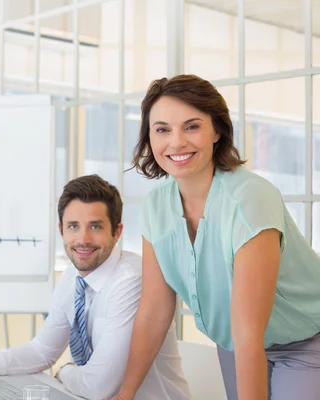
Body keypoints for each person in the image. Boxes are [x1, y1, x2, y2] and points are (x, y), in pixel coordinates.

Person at [113, 74, 320, 400]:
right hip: (235, 343)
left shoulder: (250, 198)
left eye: (192, 126)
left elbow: (249, 330)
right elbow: (154, 312)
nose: (176, 142)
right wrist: (125, 394)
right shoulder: (156, 206)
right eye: (162, 129)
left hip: (305, 340)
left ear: (217, 131)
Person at [0, 175, 191, 400]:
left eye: (95, 226)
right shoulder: (73, 279)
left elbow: (97, 387)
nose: (83, 239)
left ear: (117, 232)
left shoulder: (132, 279)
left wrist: (65, 371)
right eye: (73, 226)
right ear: (61, 230)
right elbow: (42, 351)